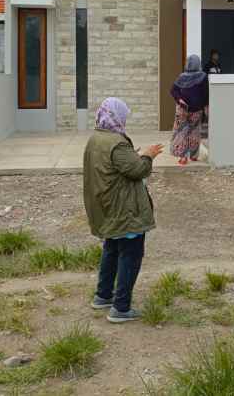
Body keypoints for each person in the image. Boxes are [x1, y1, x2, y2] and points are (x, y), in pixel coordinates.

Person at [83, 97, 163, 323]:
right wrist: (147, 155)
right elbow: (138, 170)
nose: (125, 119)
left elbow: (116, 166)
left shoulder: (96, 138)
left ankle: (103, 296)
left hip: (106, 206)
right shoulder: (117, 143)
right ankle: (120, 307)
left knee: (111, 249)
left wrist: (134, 156)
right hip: (124, 210)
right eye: (123, 115)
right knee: (130, 254)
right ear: (116, 117)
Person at [170, 54, 209, 165]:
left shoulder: (182, 76)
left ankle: (183, 157)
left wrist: (180, 100)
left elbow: (173, 91)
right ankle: (193, 156)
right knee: (194, 132)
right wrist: (205, 106)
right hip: (195, 109)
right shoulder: (203, 76)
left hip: (183, 109)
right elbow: (205, 93)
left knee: (181, 132)